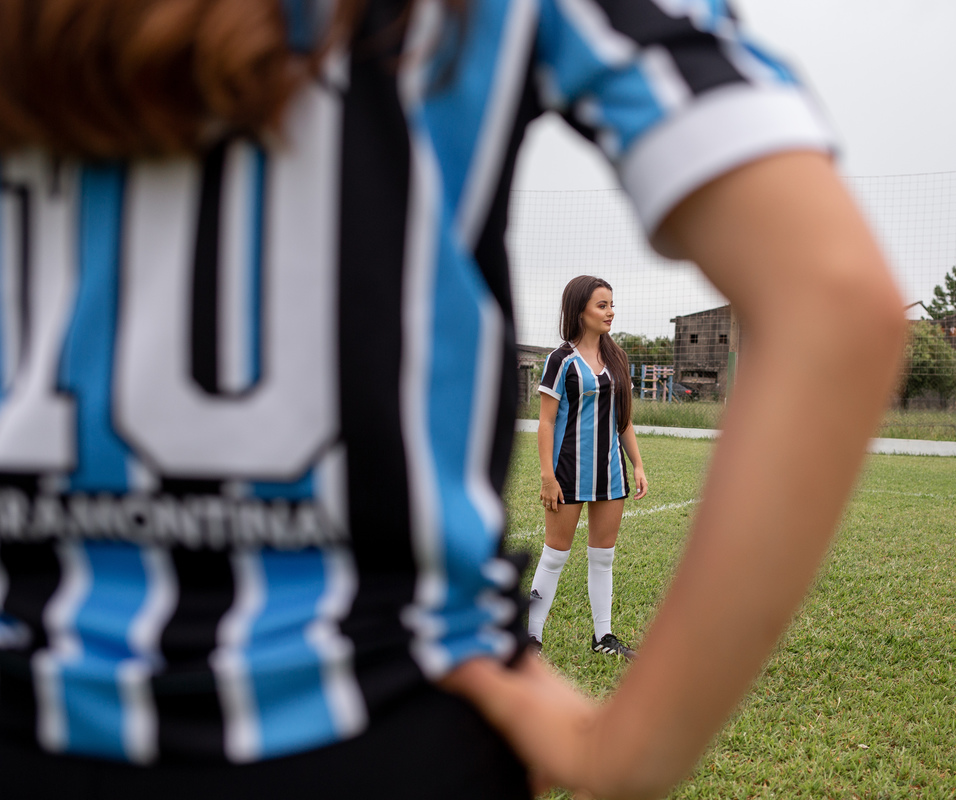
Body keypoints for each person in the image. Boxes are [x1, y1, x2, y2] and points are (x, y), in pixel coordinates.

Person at [0, 1, 907, 799]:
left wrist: (627, 454)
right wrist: (636, 752)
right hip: (381, 710)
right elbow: (830, 295)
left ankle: (594, 632)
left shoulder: (617, 360)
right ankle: (572, 634)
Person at [527, 276, 647, 660]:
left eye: (612, 304)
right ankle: (530, 640)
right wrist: (547, 475)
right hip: (567, 471)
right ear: (579, 309)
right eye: (602, 305)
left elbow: (623, 420)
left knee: (603, 557)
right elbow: (545, 422)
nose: (610, 311)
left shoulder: (617, 359)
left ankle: (603, 637)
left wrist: (638, 465)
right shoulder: (560, 360)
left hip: (610, 472)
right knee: (555, 555)